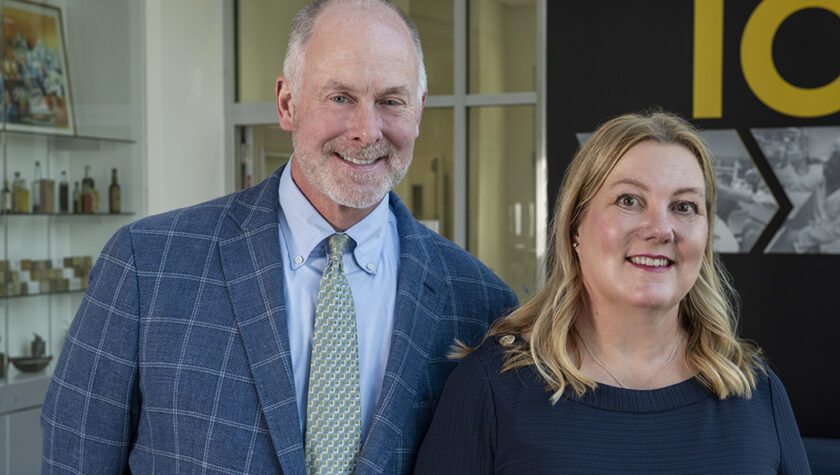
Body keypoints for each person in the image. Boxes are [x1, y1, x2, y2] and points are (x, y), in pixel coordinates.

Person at [40, 1, 517, 473]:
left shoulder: (481, 304)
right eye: (340, 97)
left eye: (391, 101)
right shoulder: (146, 265)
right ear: (287, 103)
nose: (365, 130)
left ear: (418, 112)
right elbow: (77, 459)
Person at [415, 111, 810, 473]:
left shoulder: (757, 393)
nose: (660, 229)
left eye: (685, 206)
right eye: (629, 201)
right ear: (575, 228)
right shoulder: (492, 388)